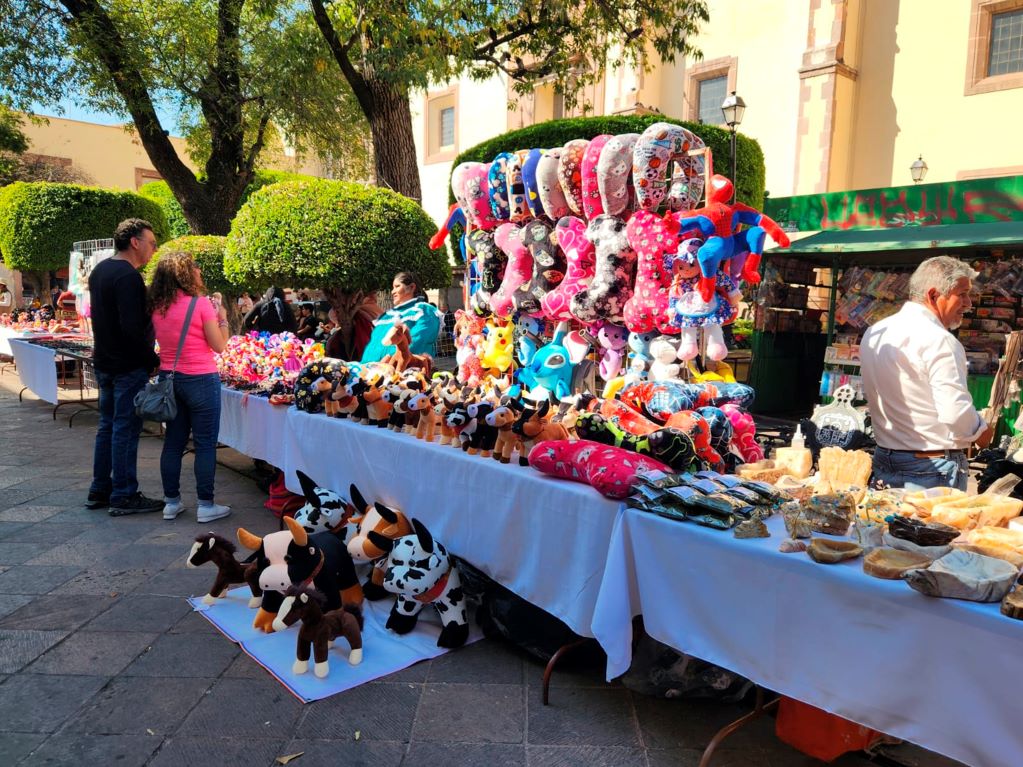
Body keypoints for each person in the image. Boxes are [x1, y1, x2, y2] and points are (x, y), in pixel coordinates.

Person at [861, 256, 994, 491]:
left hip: (885, 460)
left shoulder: (875, 331)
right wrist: (981, 432)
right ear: (933, 295)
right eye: (962, 294)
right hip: (931, 468)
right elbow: (955, 413)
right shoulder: (940, 340)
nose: (968, 304)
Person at [86, 218, 164, 514]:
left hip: (105, 362)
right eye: (151, 243)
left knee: (107, 426)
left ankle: (100, 489)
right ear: (135, 242)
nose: (153, 249)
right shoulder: (128, 276)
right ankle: (123, 494)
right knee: (125, 429)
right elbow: (131, 328)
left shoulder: (100, 271)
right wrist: (151, 359)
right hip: (126, 366)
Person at [149, 252, 232, 523]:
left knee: (173, 443)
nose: (199, 271)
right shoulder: (200, 304)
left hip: (170, 378)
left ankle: (171, 502)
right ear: (185, 273)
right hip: (201, 378)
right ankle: (206, 505)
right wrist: (222, 318)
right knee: (205, 443)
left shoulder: (157, 306)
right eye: (195, 267)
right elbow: (219, 345)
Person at [361, 272, 442, 363]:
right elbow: (373, 344)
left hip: (403, 368)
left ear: (411, 287)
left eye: (397, 286)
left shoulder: (424, 311)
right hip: (371, 368)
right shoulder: (387, 315)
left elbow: (417, 340)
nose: (392, 292)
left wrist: (390, 360)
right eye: (393, 288)